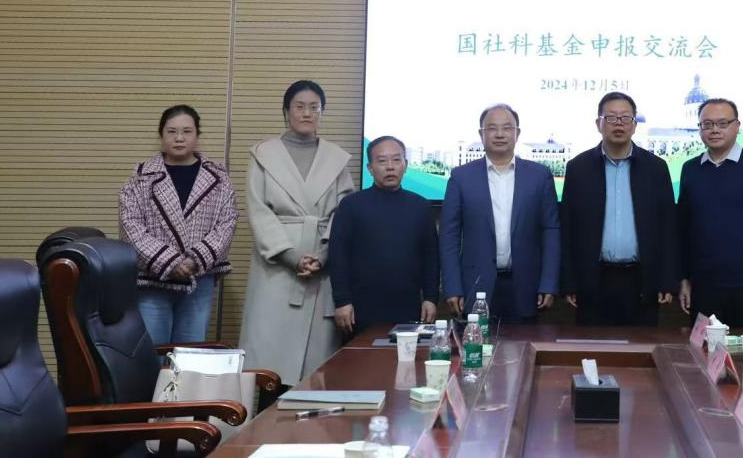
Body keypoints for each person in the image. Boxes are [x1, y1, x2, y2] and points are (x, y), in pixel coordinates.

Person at [239, 80, 355, 385]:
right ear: (286, 111)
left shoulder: (336, 159)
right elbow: (258, 211)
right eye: (300, 106)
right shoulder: (263, 154)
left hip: (320, 264)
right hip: (277, 265)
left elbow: (344, 214)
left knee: (315, 367)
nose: (307, 113)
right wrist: (291, 257)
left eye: (314, 107)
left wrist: (324, 254)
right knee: (269, 359)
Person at [119, 104, 237, 346]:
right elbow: (130, 226)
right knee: (154, 352)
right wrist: (170, 262)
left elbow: (227, 223)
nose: (179, 138)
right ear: (161, 135)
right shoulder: (141, 178)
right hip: (153, 280)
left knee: (190, 354)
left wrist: (194, 261)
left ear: (197, 135)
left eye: (187, 131)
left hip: (199, 278)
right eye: (172, 132)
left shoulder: (219, 177)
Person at [560, 92, 677, 326]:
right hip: (593, 279)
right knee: (593, 345)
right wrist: (569, 282)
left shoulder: (656, 168)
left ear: (634, 125)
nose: (619, 124)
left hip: (642, 280)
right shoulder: (578, 168)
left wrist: (667, 280)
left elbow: (668, 227)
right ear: (598, 123)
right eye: (611, 118)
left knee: (643, 346)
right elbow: (567, 228)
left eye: (625, 118)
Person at [439, 103, 560, 324]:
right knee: (477, 345)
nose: (500, 134)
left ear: (517, 133)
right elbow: (449, 236)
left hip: (527, 285)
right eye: (492, 128)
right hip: (475, 285)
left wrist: (549, 282)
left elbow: (550, 231)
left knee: (524, 344)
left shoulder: (539, 176)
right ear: (481, 134)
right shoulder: (461, 177)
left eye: (507, 127)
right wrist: (453, 287)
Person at [677, 97, 743, 328]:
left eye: (722, 123)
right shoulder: (690, 169)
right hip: (703, 285)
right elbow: (683, 229)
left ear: (737, 126)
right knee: (704, 347)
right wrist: (684, 278)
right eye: (707, 124)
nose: (714, 130)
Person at [329, 135, 439, 337]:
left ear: (405, 165)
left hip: (409, 306)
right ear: (370, 168)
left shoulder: (420, 206)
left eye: (396, 160)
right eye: (382, 161)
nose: (390, 167)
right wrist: (342, 301)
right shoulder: (351, 205)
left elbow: (431, 257)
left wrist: (431, 298)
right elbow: (338, 257)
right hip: (360, 308)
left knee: (407, 357)